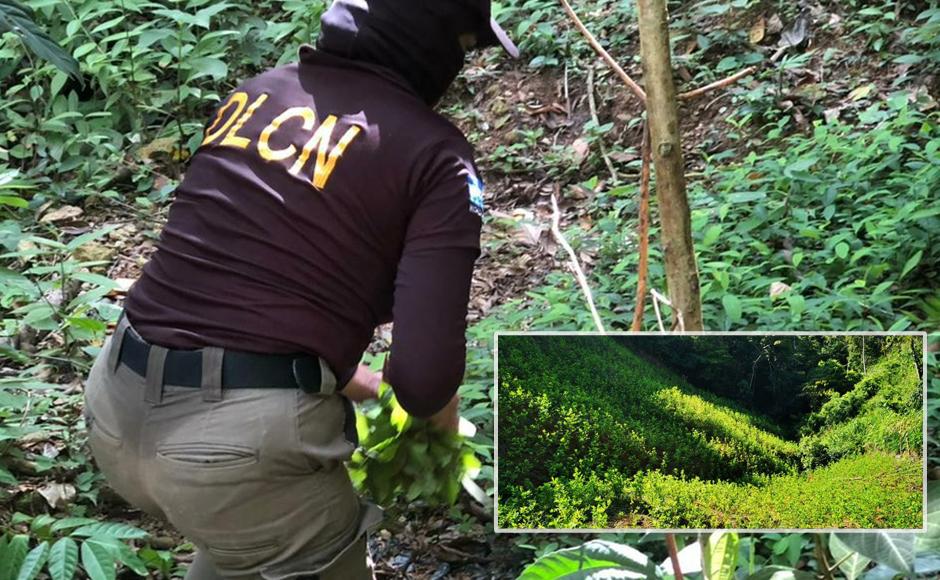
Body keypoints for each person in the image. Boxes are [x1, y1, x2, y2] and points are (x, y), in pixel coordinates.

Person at [81, 1, 518, 578]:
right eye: (463, 49)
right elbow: (425, 379)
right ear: (433, 48)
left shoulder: (259, 93)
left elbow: (242, 279)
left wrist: (350, 376)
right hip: (238, 456)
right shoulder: (434, 156)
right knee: (268, 524)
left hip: (114, 409)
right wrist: (435, 425)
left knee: (243, 536)